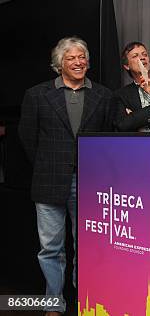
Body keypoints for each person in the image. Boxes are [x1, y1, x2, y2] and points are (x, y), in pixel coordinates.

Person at [18, 36, 113, 316]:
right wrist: (50, 165)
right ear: (59, 64)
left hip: (90, 182)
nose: (78, 62)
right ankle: (53, 303)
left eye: (82, 57)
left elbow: (109, 137)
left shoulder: (103, 95)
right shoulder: (36, 95)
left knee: (87, 245)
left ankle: (85, 299)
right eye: (71, 58)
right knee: (50, 248)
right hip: (48, 182)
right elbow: (27, 138)